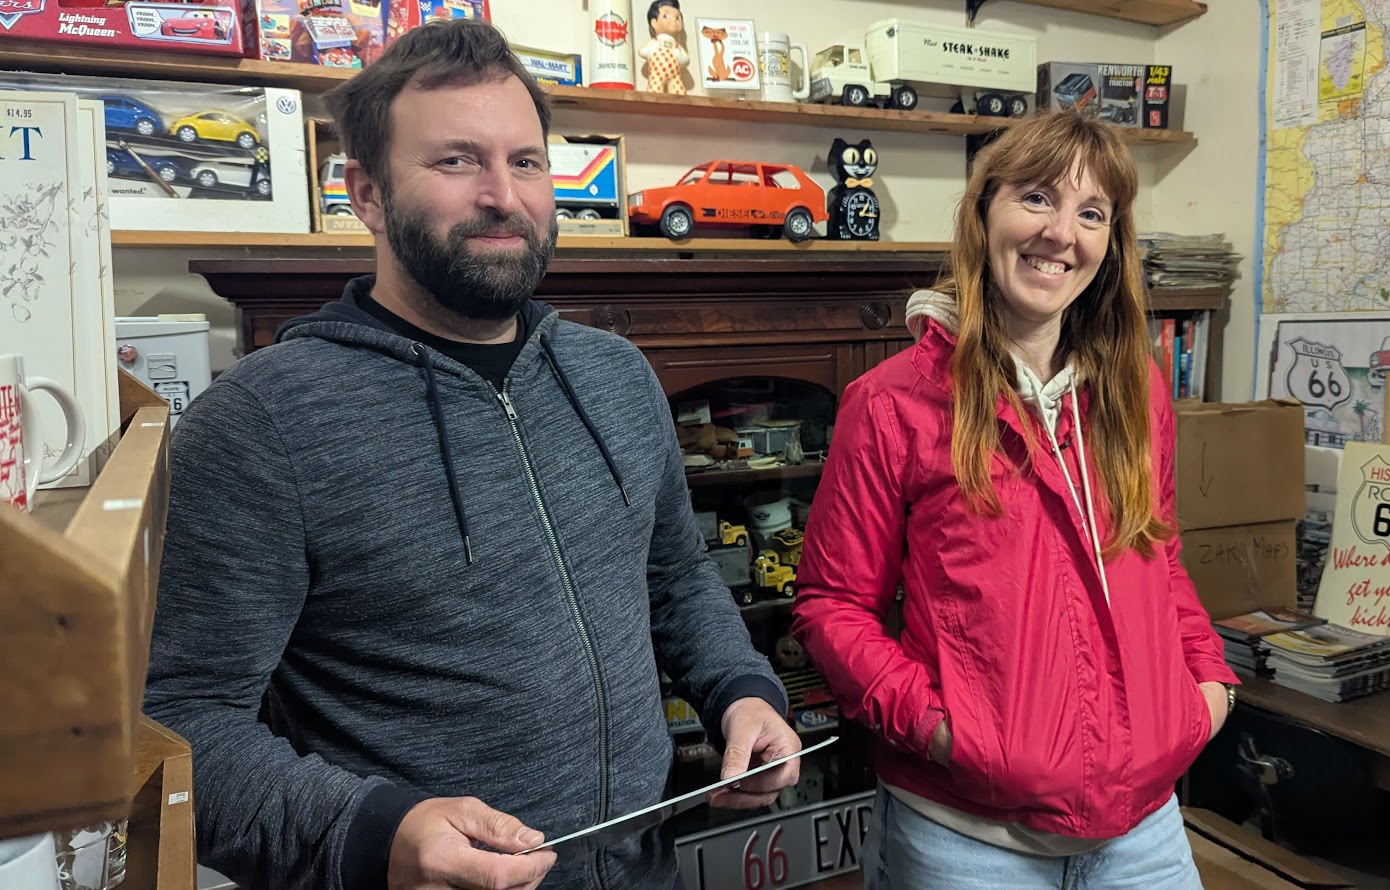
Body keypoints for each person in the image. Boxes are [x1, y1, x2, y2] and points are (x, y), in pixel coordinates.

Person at [143, 19, 799, 890]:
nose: (502, 195)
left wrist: (741, 689)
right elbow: (176, 723)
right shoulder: (261, 424)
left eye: (525, 162)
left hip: (645, 871)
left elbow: (674, 578)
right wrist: (378, 830)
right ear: (366, 194)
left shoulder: (615, 375)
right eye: (456, 161)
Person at [790, 111, 1238, 888]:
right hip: (964, 839)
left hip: (1144, 828)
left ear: (1110, 242)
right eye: (1036, 198)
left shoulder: (1136, 392)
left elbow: (1159, 557)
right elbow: (832, 608)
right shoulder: (891, 404)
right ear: (982, 212)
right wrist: (946, 733)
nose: (1060, 233)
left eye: (1091, 213)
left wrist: (1206, 691)